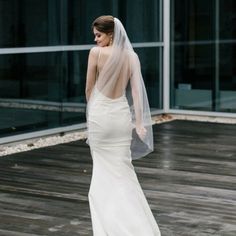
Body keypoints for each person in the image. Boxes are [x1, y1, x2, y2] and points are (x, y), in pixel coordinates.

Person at [85, 15, 161, 236]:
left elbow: (89, 89)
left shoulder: (96, 54)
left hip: (100, 116)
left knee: (101, 172)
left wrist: (91, 116)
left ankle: (110, 226)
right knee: (123, 171)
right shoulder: (132, 56)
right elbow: (136, 92)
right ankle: (138, 226)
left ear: (110, 34)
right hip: (120, 117)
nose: (96, 40)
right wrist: (138, 122)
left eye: (98, 35)